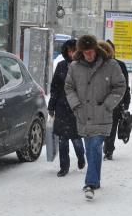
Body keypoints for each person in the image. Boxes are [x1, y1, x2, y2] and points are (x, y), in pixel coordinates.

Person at [65, 35, 126, 200]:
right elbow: (69, 87)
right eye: (85, 52)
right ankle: (96, 181)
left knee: (95, 147)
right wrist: (76, 105)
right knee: (90, 150)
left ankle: (90, 184)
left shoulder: (110, 65)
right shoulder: (75, 66)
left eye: (91, 52)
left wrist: (107, 105)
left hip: (102, 114)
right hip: (83, 115)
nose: (89, 55)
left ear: (96, 50)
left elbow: (120, 86)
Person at [48, 39, 85, 177]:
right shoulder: (62, 66)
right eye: (69, 51)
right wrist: (51, 106)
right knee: (63, 141)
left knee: (76, 140)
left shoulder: (84, 66)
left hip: (77, 108)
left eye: (74, 50)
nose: (71, 53)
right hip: (62, 108)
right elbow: (55, 87)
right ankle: (64, 167)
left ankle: (81, 158)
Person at [99, 40, 131, 161]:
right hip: (99, 103)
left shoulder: (119, 65)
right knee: (100, 128)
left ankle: (108, 150)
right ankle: (104, 148)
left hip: (115, 103)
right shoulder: (96, 65)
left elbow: (125, 86)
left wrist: (126, 102)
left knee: (111, 128)